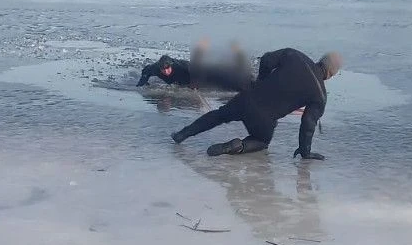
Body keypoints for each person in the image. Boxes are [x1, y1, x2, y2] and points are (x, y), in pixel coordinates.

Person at [170, 48, 342, 159]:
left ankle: (182, 134)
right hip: (264, 120)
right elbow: (308, 124)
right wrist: (305, 152)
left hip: (248, 98)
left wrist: (262, 81)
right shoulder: (320, 95)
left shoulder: (295, 55)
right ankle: (238, 146)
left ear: (321, 59)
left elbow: (266, 59)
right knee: (261, 141)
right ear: (331, 74)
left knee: (219, 115)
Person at [137, 44, 254, 93]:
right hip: (181, 81)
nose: (166, 71)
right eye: (163, 69)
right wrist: (142, 84)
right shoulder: (156, 68)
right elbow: (145, 72)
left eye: (168, 68)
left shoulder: (179, 66)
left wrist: (195, 82)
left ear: (171, 65)